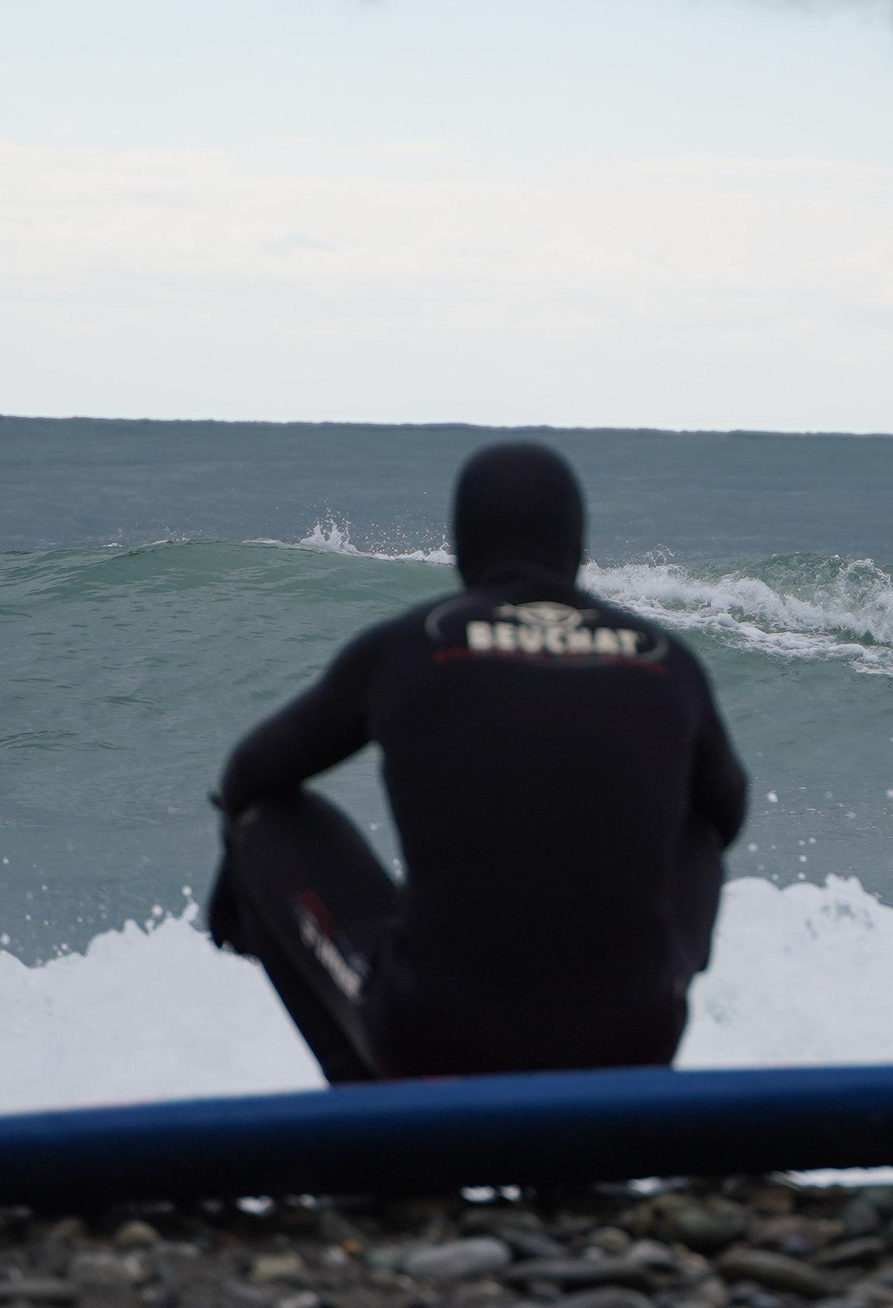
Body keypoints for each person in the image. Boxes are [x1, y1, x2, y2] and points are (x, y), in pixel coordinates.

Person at [206, 442, 747, 1083]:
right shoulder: (664, 658)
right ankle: (646, 996)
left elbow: (249, 777)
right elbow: (725, 813)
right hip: (635, 1040)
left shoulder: (412, 645)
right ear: (576, 548)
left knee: (264, 822)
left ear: (462, 548)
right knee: (700, 830)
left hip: (437, 1038)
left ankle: (375, 1129)